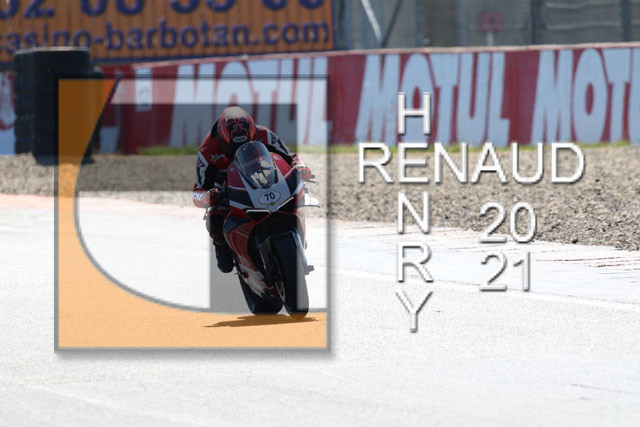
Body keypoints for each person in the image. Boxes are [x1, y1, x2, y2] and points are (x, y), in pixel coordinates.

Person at [192, 106, 312, 273]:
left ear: (253, 133)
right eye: (234, 147)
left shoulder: (265, 134)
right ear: (223, 140)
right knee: (215, 218)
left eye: (247, 143)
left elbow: (290, 157)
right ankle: (222, 246)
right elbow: (197, 191)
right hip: (226, 185)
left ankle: (295, 231)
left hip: (262, 173)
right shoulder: (207, 150)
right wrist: (207, 197)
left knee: (296, 191)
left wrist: (300, 167)